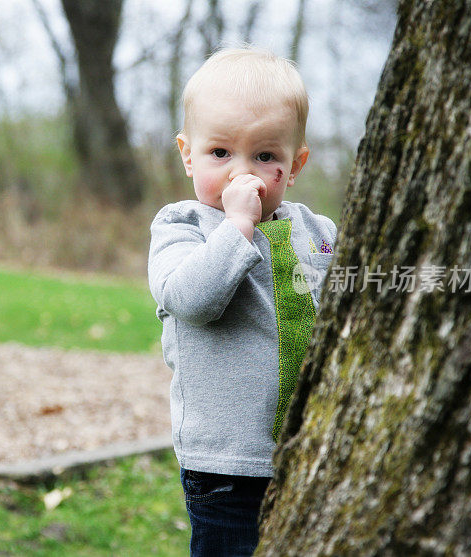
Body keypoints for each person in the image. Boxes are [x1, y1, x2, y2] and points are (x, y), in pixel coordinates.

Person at [148, 46, 336, 555]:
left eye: (266, 156)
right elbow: (190, 299)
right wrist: (236, 229)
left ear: (295, 164)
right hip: (225, 465)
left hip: (311, 452)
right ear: (188, 154)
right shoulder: (181, 227)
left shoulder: (316, 231)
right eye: (220, 153)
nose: (242, 174)